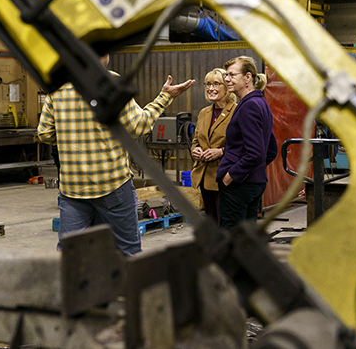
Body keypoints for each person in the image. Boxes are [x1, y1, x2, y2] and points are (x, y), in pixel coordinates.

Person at [37, 54, 195, 254]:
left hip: (72, 191)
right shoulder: (112, 83)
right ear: (103, 55)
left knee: (71, 257)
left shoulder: (58, 87)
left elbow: (44, 133)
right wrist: (165, 96)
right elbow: (139, 126)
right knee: (127, 252)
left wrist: (72, 139)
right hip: (112, 188)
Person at [216, 56, 277, 229]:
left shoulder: (249, 106)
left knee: (232, 238)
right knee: (246, 239)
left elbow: (256, 153)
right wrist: (255, 171)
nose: (226, 79)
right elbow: (271, 149)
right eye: (226, 75)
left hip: (239, 187)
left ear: (247, 77)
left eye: (232, 75)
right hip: (254, 184)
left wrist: (232, 175)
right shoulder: (260, 103)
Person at [191, 69, 237, 223]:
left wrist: (221, 151)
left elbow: (243, 144)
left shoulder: (236, 111)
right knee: (211, 223)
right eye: (208, 84)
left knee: (225, 223)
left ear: (227, 86)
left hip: (226, 177)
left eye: (216, 83)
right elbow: (196, 140)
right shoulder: (204, 113)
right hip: (205, 177)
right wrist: (195, 150)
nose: (211, 88)